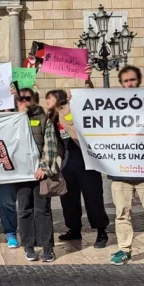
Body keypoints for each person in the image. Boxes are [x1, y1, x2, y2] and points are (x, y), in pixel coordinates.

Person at [88, 65, 144, 271]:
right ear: (121, 83)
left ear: (139, 80)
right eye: (126, 81)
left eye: (133, 80)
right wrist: (87, 82)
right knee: (122, 214)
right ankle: (124, 248)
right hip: (121, 171)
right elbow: (90, 106)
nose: (129, 84)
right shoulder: (114, 104)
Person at [48, 89, 109, 248]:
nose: (47, 101)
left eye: (50, 98)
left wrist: (86, 84)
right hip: (68, 160)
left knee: (93, 196)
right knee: (68, 198)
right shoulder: (52, 118)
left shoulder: (74, 109)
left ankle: (101, 231)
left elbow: (91, 101)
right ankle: (73, 228)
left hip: (86, 159)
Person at [15, 87, 57, 262]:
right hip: (20, 174)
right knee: (24, 210)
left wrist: (45, 167)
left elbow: (50, 145)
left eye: (27, 98)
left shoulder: (43, 118)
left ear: (34, 100)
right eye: (20, 98)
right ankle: (28, 245)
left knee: (43, 210)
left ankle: (47, 247)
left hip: (40, 172)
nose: (24, 101)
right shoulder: (11, 120)